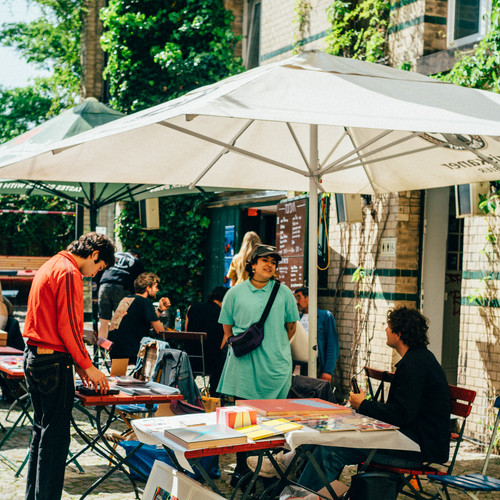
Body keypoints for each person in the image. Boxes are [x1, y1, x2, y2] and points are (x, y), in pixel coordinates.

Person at [297, 306, 451, 492]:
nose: (385, 330)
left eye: (389, 326)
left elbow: (402, 414)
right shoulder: (419, 359)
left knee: (330, 450)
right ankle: (301, 487)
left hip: (415, 449)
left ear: (399, 334)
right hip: (410, 441)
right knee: (325, 440)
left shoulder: (415, 366)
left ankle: (301, 495)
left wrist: (363, 404)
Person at [23, 232, 115, 500]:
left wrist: (77, 362)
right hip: (52, 361)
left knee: (42, 435)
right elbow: (69, 326)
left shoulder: (52, 264)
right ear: (95, 254)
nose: (95, 274)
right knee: (55, 440)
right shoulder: (69, 271)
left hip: (36, 357)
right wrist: (87, 365)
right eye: (100, 268)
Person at [218, 244, 299, 484]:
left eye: (273, 262)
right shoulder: (234, 293)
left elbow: (291, 326)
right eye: (264, 260)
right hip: (244, 367)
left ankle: (269, 471)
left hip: (275, 368)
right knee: (243, 422)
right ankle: (243, 469)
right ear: (252, 265)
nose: (269, 265)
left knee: (273, 424)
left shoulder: (283, 293)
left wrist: (276, 348)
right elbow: (227, 328)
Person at [107, 272, 171, 364]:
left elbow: (146, 321)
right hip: (131, 352)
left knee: (118, 376)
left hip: (114, 350)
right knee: (164, 353)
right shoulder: (145, 302)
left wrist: (160, 310)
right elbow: (160, 331)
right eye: (155, 286)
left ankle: (130, 377)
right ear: (148, 288)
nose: (157, 290)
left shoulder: (127, 299)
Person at [185, 286, 228, 395]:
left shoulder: (192, 307)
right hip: (211, 361)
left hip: (191, 358)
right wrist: (219, 349)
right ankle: (215, 395)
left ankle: (187, 391)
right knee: (223, 356)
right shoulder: (223, 313)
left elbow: (186, 333)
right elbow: (226, 335)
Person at [294, 287, 339, 382]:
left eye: (299, 297)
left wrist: (328, 371)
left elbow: (332, 345)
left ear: (309, 298)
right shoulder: (297, 318)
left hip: (316, 364)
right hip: (299, 365)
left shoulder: (325, 316)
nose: (297, 302)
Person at [97, 249, 144, 338]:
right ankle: (118, 349)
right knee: (121, 321)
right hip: (123, 287)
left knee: (103, 320)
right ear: (136, 255)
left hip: (104, 285)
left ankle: (102, 350)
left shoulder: (114, 255)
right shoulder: (136, 260)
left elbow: (99, 269)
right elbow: (140, 282)